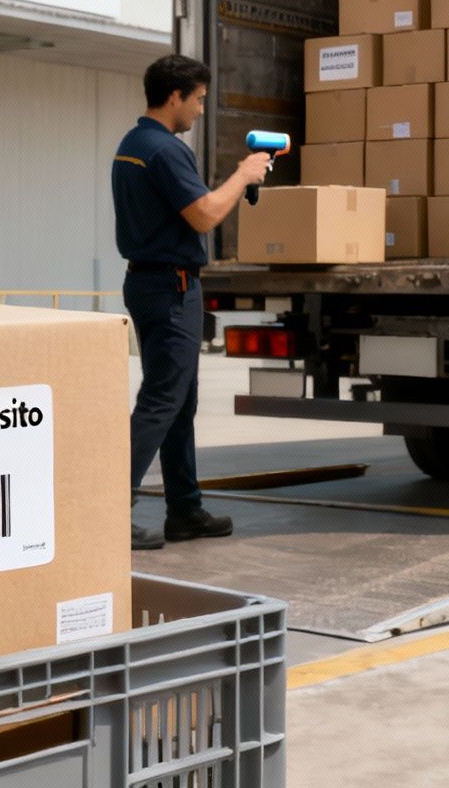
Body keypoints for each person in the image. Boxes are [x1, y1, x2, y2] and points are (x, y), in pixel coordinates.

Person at [112, 54, 272, 551]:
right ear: (175, 96)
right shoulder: (164, 149)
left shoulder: (131, 145)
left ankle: (185, 509)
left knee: (179, 399)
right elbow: (204, 216)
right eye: (199, 99)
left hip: (153, 283)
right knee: (163, 398)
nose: (201, 110)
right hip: (171, 287)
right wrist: (244, 175)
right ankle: (111, 508)